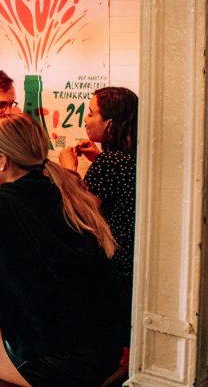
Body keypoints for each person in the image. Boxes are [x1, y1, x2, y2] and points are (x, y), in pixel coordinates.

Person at [0, 114, 124, 387]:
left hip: (63, 357)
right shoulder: (64, 190)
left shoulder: (5, 205)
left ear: (2, 160)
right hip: (103, 343)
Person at [59, 86, 138, 333]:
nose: (85, 118)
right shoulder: (133, 154)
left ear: (110, 123)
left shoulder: (111, 161)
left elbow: (80, 212)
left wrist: (68, 171)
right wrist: (96, 158)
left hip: (115, 266)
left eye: (92, 113)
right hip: (135, 262)